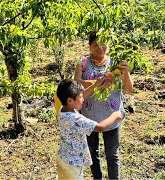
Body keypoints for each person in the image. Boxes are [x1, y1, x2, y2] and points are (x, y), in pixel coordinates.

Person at [74, 31, 133, 179]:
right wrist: (95, 83)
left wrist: (125, 72)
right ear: (89, 46)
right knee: (93, 153)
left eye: (103, 44)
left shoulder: (116, 63)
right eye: (95, 45)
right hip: (89, 116)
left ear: (108, 45)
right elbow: (75, 84)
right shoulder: (83, 62)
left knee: (112, 155)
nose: (100, 48)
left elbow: (128, 89)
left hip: (112, 116)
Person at [56, 79, 122, 179]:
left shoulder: (63, 109)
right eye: (81, 97)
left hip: (63, 158)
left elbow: (79, 98)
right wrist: (115, 114)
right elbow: (100, 127)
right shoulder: (76, 119)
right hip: (73, 165)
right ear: (70, 100)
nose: (83, 99)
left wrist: (94, 85)